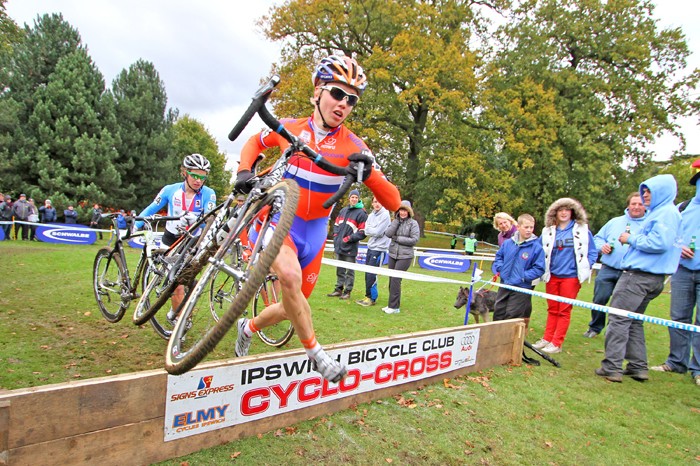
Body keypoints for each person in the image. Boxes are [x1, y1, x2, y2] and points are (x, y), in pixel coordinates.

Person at [233, 54, 401, 383]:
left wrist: (370, 174)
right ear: (318, 91)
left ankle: (247, 326)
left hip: (315, 233)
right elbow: (255, 141)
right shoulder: (292, 128)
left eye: (351, 100)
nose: (343, 104)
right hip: (281, 221)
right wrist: (243, 170)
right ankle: (316, 353)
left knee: (292, 306)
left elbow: (393, 201)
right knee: (290, 278)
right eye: (337, 93)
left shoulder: (355, 146)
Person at [596, 174, 682, 383]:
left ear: (661, 192)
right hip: (651, 278)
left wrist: (630, 239)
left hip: (638, 277)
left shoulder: (665, 214)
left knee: (618, 319)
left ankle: (612, 366)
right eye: (643, 191)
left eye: (648, 191)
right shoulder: (665, 213)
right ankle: (637, 367)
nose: (644, 195)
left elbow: (659, 243)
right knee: (634, 322)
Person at [135, 154, 217, 321]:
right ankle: (178, 320)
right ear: (184, 172)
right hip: (171, 241)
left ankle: (178, 315)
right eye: (195, 175)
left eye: (203, 177)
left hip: (192, 243)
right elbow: (151, 209)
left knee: (190, 284)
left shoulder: (209, 194)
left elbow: (211, 218)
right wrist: (135, 225)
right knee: (176, 285)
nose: (199, 180)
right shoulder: (170, 190)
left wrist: (199, 222)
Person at [650, 161, 700, 386]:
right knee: (679, 317)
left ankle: (697, 368)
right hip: (682, 270)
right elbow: (670, 238)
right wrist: (679, 248)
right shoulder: (683, 208)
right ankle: (676, 362)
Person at [533, 198, 597, 354]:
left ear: (572, 212)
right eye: (560, 209)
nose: (563, 212)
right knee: (552, 308)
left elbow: (592, 251)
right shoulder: (547, 231)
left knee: (564, 310)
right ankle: (547, 338)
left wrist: (586, 266)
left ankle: (557, 342)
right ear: (555, 212)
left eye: (567, 209)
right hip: (552, 276)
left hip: (571, 277)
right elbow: (538, 249)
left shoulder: (582, 230)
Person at [583, 192, 646, 338]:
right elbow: (597, 238)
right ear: (628, 205)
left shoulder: (648, 224)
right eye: (633, 203)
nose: (636, 207)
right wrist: (602, 246)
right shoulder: (615, 222)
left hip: (631, 272)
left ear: (645, 206)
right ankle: (595, 327)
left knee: (620, 305)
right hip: (608, 268)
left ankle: (615, 332)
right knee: (599, 299)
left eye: (640, 204)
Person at [491, 214, 545, 331]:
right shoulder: (508, 243)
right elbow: (499, 257)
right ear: (519, 227)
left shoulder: (537, 247)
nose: (529, 230)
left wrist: (523, 277)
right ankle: (495, 343)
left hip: (521, 287)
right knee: (498, 312)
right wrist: (501, 268)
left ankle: (508, 345)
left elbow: (539, 268)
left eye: (531, 227)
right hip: (505, 284)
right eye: (526, 227)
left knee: (512, 315)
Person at [327, 189, 367, 300]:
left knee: (349, 270)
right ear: (349, 198)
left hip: (351, 247)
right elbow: (336, 225)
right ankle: (338, 289)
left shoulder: (362, 213)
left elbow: (362, 232)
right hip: (339, 245)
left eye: (356, 197)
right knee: (340, 269)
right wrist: (336, 237)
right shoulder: (343, 211)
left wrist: (349, 239)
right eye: (352, 197)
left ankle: (347, 291)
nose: (354, 199)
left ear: (358, 199)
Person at [382, 200, 420, 315]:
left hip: (405, 256)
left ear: (409, 211)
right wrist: (396, 223)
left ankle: (393, 307)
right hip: (393, 253)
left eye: (405, 210)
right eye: (401, 210)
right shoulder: (395, 221)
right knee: (392, 279)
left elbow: (414, 240)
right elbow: (388, 234)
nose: (403, 212)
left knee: (395, 280)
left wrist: (398, 238)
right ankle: (392, 305)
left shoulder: (413, 224)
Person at [356, 197, 391, 307]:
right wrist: (372, 230)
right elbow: (367, 230)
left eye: (379, 201)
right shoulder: (370, 216)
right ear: (372, 203)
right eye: (375, 201)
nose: (377, 204)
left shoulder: (385, 215)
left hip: (379, 249)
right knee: (367, 273)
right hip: (370, 247)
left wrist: (372, 230)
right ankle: (367, 296)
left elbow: (378, 232)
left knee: (372, 274)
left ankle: (372, 298)